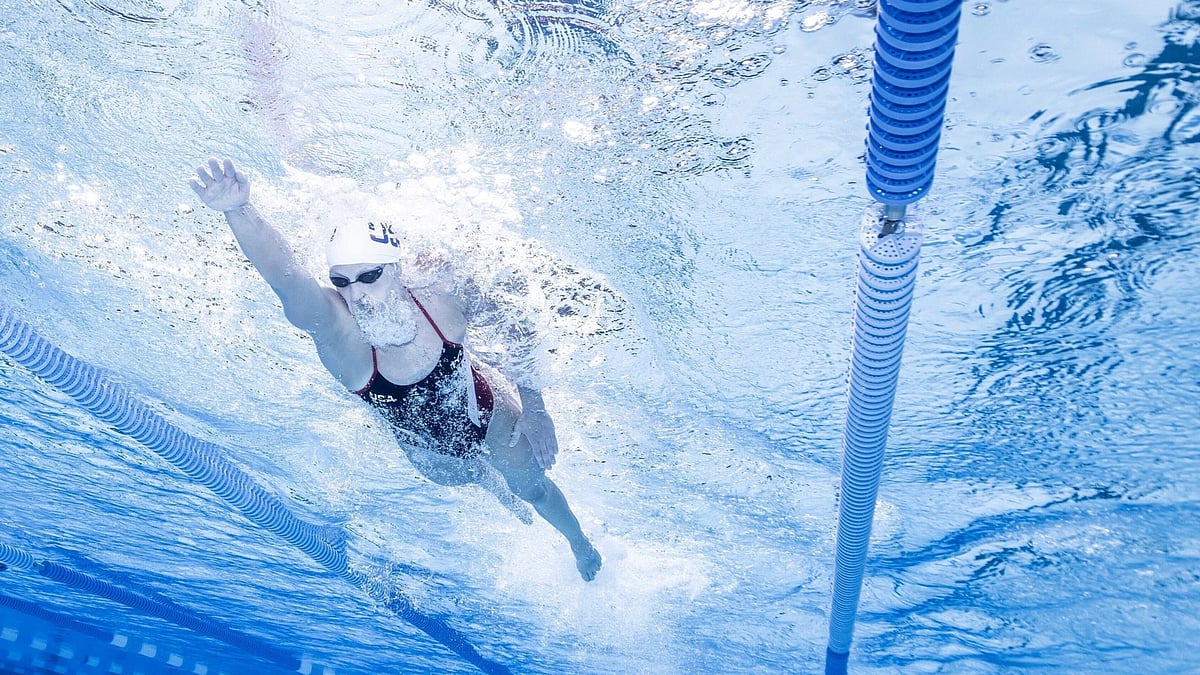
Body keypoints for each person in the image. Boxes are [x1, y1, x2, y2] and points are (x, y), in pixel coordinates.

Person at [189, 158, 602, 581]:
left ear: (397, 269)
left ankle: (580, 543)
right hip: (431, 453)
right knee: (475, 478)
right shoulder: (339, 334)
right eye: (342, 281)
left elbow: (514, 328)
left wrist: (535, 408)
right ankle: (493, 487)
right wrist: (237, 210)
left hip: (488, 412)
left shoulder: (440, 298)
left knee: (531, 487)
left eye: (369, 276)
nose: (358, 294)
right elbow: (285, 276)